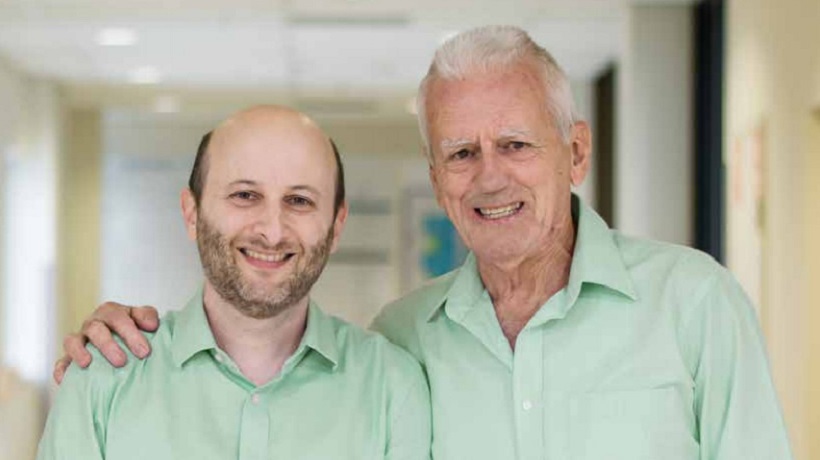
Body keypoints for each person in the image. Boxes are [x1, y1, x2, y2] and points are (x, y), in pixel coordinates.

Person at [56, 26, 792, 459]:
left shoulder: (696, 304)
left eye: (516, 144)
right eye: (461, 153)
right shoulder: (404, 345)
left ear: (576, 152)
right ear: (438, 179)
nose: (489, 177)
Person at [38, 106, 431, 460]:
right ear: (192, 213)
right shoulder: (103, 379)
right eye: (245, 195)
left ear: (336, 225)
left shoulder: (392, 387)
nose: (273, 231)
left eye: (299, 201)